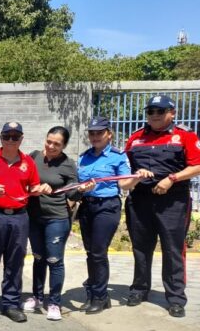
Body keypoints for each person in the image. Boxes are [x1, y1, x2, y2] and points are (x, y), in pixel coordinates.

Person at [124, 95, 200, 318]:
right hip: (140, 201)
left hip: (173, 201)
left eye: (160, 111)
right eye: (151, 112)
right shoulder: (136, 138)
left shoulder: (185, 136)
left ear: (172, 113)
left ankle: (175, 297)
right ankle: (139, 289)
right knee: (140, 248)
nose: (154, 116)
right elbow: (125, 166)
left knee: (173, 249)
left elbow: (197, 166)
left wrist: (172, 179)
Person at [0, 122, 48, 323]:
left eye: (15, 137)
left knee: (15, 261)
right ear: (1, 137)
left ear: (21, 140)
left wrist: (41, 189)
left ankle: (11, 303)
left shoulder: (28, 162)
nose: (10, 140)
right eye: (7, 136)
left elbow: (33, 188)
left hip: (19, 217)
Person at [75, 117, 139, 314]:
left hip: (107, 206)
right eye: (92, 133)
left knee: (98, 252)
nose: (95, 136)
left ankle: (100, 296)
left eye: (99, 133)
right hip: (87, 205)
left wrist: (134, 180)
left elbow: (123, 183)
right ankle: (94, 294)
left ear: (108, 134)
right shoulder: (83, 157)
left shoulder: (118, 156)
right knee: (90, 253)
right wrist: (82, 188)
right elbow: (78, 184)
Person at [24, 126, 79, 321]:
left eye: (57, 144)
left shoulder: (68, 164)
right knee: (38, 257)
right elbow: (24, 181)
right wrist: (34, 187)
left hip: (56, 217)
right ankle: (37, 297)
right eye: (49, 141)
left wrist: (83, 189)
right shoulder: (33, 157)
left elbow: (73, 192)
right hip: (34, 217)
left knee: (54, 260)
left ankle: (54, 302)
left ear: (64, 145)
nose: (51, 146)